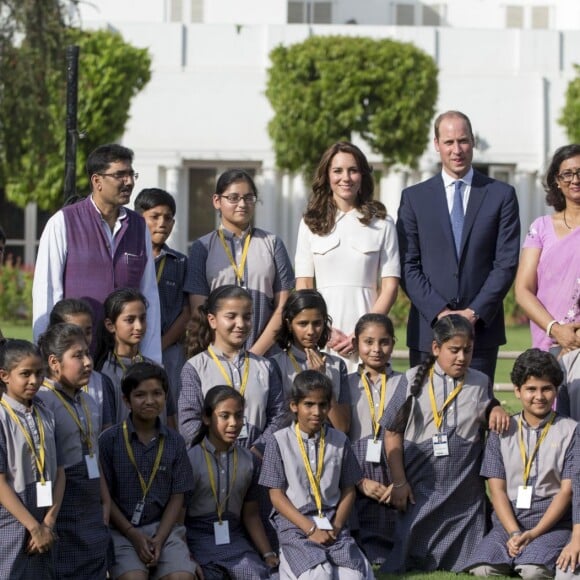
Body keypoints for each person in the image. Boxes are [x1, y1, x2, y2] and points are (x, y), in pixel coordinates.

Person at [380, 315, 510, 573]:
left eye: (467, 350)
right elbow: (392, 433)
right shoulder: (411, 379)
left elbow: (485, 410)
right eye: (454, 350)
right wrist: (399, 481)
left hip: (464, 492)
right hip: (421, 486)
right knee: (409, 555)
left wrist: (495, 409)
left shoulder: (480, 381)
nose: (461, 357)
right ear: (436, 348)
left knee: (470, 557)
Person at [397, 110, 520, 382]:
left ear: (473, 142)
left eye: (463, 141)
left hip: (480, 334)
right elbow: (407, 264)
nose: (457, 150)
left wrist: (471, 314)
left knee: (475, 417)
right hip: (429, 331)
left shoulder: (501, 196)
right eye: (449, 142)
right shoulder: (414, 198)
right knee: (426, 417)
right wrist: (442, 314)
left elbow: (506, 263)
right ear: (436, 144)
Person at [32, 143, 161, 362]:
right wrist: (47, 358)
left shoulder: (139, 227)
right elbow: (47, 293)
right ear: (97, 181)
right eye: (120, 175)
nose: (129, 182)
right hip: (75, 358)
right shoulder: (63, 222)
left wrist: (152, 360)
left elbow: (149, 295)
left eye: (131, 174)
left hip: (124, 359)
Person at [464, 348, 576, 579]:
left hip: (551, 523)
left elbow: (566, 492)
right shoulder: (502, 430)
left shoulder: (571, 431)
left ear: (556, 390)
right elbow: (497, 492)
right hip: (508, 521)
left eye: (547, 389)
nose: (539, 396)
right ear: (517, 390)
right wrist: (515, 531)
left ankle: (533, 554)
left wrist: (533, 534)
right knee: (483, 569)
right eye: (531, 389)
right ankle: (519, 549)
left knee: (532, 571)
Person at [294, 141, 400, 371]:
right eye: (338, 171)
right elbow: (304, 284)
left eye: (353, 170)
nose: (346, 178)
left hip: (367, 340)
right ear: (326, 175)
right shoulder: (309, 223)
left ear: (362, 175)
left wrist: (364, 334)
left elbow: (390, 287)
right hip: (322, 337)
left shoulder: (382, 223)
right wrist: (324, 331)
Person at [259, 370, 373, 579]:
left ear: (330, 406)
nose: (316, 411)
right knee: (319, 575)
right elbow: (276, 496)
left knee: (353, 576)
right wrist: (311, 530)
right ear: (294, 406)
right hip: (295, 524)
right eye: (309, 404)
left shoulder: (340, 440)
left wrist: (336, 527)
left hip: (332, 521)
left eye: (322, 405)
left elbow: (349, 490)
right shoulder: (278, 441)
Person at [98, 362, 199, 580]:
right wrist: (132, 534)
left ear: (165, 397)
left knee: (181, 577)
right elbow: (105, 498)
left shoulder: (175, 441)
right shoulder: (109, 441)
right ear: (127, 401)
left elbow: (177, 495)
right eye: (140, 395)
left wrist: (160, 539)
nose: (150, 401)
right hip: (122, 531)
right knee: (132, 577)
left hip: (164, 529)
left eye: (157, 394)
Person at [185, 169, 294, 356]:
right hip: (217, 357)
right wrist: (223, 354)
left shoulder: (273, 244)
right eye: (233, 198)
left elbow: (283, 306)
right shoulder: (201, 247)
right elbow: (199, 309)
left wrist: (255, 354)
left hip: (266, 355)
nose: (242, 204)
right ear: (217, 201)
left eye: (249, 198)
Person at [37, 323, 110, 579]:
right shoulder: (43, 403)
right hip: (61, 505)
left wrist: (105, 499)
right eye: (78, 356)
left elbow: (94, 454)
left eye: (87, 353)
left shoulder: (88, 400)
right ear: (55, 362)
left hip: (90, 503)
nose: (88, 362)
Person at [185, 385, 278, 579]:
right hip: (196, 539)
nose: (233, 423)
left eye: (238, 416)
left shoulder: (249, 461)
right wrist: (185, 556)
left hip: (234, 537)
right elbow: (178, 518)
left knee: (255, 573)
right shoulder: (189, 460)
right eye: (224, 416)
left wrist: (267, 553)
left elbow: (251, 514)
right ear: (206, 418)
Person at [178, 285, 285, 453]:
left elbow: (279, 416)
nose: (241, 324)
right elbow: (189, 421)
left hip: (258, 464)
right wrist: (215, 451)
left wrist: (258, 450)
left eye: (247, 316)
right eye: (231, 316)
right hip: (210, 467)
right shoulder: (195, 367)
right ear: (212, 320)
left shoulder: (265, 366)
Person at [0, 340, 64, 579]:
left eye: (39, 373)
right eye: (25, 374)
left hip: (45, 517)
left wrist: (47, 523)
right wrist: (33, 527)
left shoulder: (45, 412)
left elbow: (61, 472)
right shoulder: (2, 417)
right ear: (4, 375)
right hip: (12, 519)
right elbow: (0, 483)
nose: (34, 381)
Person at [347, 313, 404, 566]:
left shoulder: (405, 382)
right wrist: (359, 481)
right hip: (357, 469)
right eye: (368, 342)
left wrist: (400, 481)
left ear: (394, 342)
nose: (376, 350)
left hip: (395, 465)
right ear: (355, 343)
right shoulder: (345, 383)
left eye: (384, 342)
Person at [515, 144, 580, 355]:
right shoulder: (541, 228)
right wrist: (556, 329)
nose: (576, 179)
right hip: (547, 342)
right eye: (567, 174)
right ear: (557, 181)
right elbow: (523, 289)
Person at [134, 188, 189, 405]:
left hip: (169, 349)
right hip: (131, 349)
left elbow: (187, 312)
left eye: (168, 218)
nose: (162, 223)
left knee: (168, 403)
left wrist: (159, 345)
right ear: (138, 220)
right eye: (154, 217)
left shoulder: (180, 262)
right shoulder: (128, 259)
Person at [270, 289, 350, 432]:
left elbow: (342, 427)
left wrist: (323, 379)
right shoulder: (275, 365)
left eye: (317, 323)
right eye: (303, 324)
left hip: (328, 448)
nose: (311, 331)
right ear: (289, 324)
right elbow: (278, 420)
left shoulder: (337, 365)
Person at [95, 288, 176, 428]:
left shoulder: (157, 369)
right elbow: (107, 430)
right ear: (110, 325)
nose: (138, 326)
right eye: (130, 320)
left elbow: (170, 422)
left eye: (142, 319)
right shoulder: (104, 374)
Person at [49, 298, 115, 428]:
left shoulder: (101, 382)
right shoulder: (41, 387)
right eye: (75, 331)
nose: (83, 338)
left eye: (88, 331)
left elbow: (108, 430)